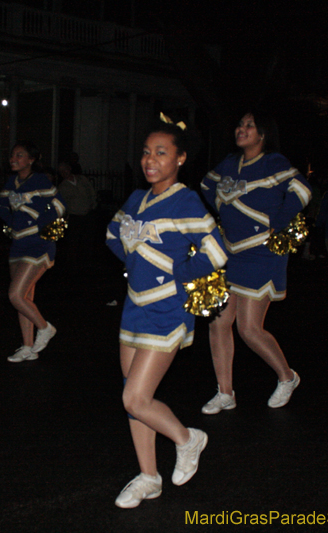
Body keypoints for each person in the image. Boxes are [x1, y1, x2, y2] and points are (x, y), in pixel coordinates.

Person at [107, 119, 228, 508]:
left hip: (167, 310)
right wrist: (133, 259)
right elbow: (112, 234)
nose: (150, 159)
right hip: (133, 309)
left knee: (134, 398)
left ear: (180, 158)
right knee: (134, 397)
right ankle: (148, 476)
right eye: (146, 151)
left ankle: (188, 439)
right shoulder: (135, 199)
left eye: (161, 152)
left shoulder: (186, 200)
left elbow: (217, 251)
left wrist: (177, 272)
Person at [200, 110, 311, 413]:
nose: (242, 129)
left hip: (261, 251)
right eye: (240, 124)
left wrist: (278, 220)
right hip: (232, 251)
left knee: (249, 329)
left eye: (250, 126)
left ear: (263, 134)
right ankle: (225, 393)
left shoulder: (273, 162)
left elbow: (302, 190)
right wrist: (224, 210)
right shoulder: (228, 163)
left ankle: (287, 377)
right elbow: (207, 185)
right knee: (218, 323)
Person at [0, 142, 65, 362]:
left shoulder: (40, 180)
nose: (13, 158)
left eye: (19, 155)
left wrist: (40, 223)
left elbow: (60, 206)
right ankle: (27, 347)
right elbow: (0, 204)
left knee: (15, 294)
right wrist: (13, 223)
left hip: (39, 243)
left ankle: (45, 328)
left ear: (31, 160)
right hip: (18, 244)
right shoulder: (11, 183)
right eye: (12, 155)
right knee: (24, 297)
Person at [57, 161, 97, 267]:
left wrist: (93, 205)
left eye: (65, 169)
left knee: (88, 239)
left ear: (69, 168)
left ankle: (87, 262)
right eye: (61, 172)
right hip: (75, 216)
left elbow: (91, 191)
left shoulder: (82, 179)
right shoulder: (62, 187)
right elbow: (62, 203)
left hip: (88, 214)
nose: (64, 173)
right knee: (73, 241)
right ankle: (73, 265)